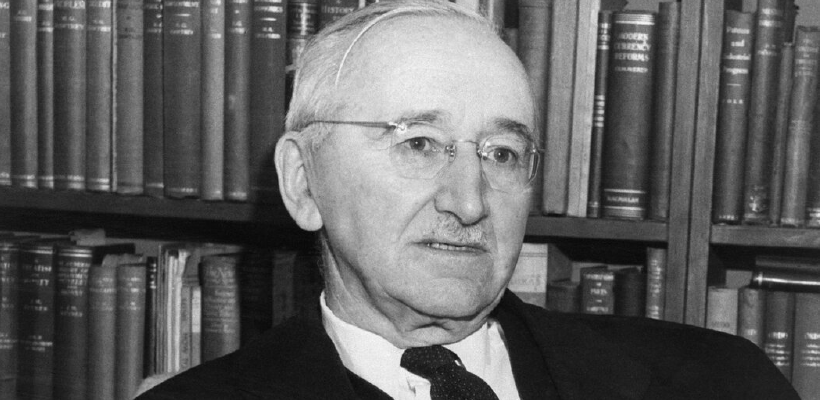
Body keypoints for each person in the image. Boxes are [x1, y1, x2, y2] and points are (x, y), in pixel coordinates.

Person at [137, 1, 799, 399]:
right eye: (419, 143)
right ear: (304, 182)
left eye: (502, 153)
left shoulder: (722, 381)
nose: (469, 201)